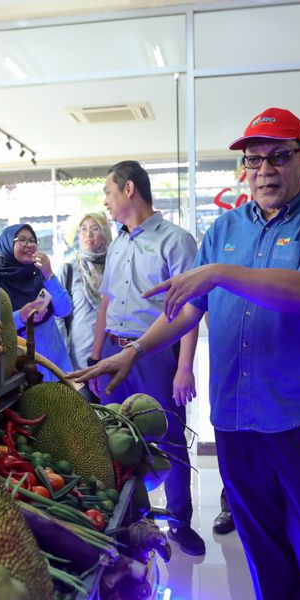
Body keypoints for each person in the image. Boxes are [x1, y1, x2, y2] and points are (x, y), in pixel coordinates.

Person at [71, 109, 300, 600]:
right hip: (235, 415)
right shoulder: (224, 230)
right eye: (253, 159)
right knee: (259, 536)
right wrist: (133, 351)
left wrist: (219, 272)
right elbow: (190, 309)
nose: (264, 169)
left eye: (278, 156)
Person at [87, 161, 204, 557]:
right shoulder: (117, 242)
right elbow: (105, 301)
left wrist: (184, 366)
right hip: (112, 353)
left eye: (108, 192)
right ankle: (134, 521)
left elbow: (192, 306)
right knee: (114, 439)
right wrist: (95, 353)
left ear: (129, 189)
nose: (105, 200)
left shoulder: (176, 240)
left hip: (154, 354)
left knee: (168, 436)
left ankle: (180, 521)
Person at [0, 223, 74, 375]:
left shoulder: (39, 275)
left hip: (58, 365)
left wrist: (48, 273)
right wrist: (21, 316)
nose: (29, 245)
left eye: (32, 240)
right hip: (24, 367)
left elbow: (65, 310)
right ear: (7, 244)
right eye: (22, 240)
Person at [60, 212, 112, 379]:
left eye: (95, 229)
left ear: (105, 234)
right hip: (79, 355)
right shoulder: (70, 269)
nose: (88, 235)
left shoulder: (116, 266)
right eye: (83, 229)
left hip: (113, 351)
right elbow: (59, 316)